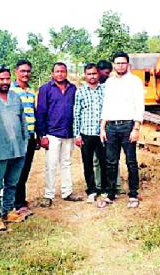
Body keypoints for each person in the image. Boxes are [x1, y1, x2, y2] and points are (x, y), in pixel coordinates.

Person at [0, 66, 28, 234]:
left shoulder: (15, 97)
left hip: (17, 149)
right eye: (1, 79)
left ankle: (8, 211)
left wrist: (25, 142)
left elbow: (23, 121)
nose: (4, 82)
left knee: (12, 183)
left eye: (7, 79)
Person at [99, 52, 145, 209]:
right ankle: (111, 194)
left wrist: (136, 128)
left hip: (128, 127)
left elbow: (140, 105)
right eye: (117, 63)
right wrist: (102, 127)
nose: (120, 66)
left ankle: (133, 194)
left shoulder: (135, 82)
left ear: (128, 64)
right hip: (111, 127)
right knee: (111, 162)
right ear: (113, 65)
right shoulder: (110, 83)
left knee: (131, 162)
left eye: (123, 63)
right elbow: (107, 105)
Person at [36, 62, 82, 207]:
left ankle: (67, 192)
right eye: (57, 71)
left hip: (68, 133)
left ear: (66, 72)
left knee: (66, 163)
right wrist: (42, 135)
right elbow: (41, 112)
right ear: (52, 73)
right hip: (52, 133)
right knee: (51, 165)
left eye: (62, 71)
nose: (60, 74)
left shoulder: (73, 88)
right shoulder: (45, 89)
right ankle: (48, 195)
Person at [73, 63, 107, 203]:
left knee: (104, 162)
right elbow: (77, 113)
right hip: (86, 133)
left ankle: (105, 189)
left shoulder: (104, 90)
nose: (92, 76)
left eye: (94, 73)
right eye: (89, 74)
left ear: (98, 74)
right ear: (85, 75)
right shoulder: (80, 91)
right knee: (88, 164)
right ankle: (91, 190)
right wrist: (77, 134)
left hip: (102, 133)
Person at [11, 59, 39, 218]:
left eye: (28, 71)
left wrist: (36, 135)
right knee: (17, 171)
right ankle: (18, 204)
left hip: (30, 136)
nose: (25, 74)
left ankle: (20, 199)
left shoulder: (30, 91)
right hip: (17, 138)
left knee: (25, 169)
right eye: (22, 71)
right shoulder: (11, 91)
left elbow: (33, 114)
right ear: (16, 72)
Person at [95, 60, 122, 194]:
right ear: (99, 71)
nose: (108, 75)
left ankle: (115, 186)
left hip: (111, 126)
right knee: (97, 160)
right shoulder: (92, 87)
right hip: (95, 129)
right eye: (106, 73)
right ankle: (99, 186)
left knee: (113, 158)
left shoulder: (112, 86)